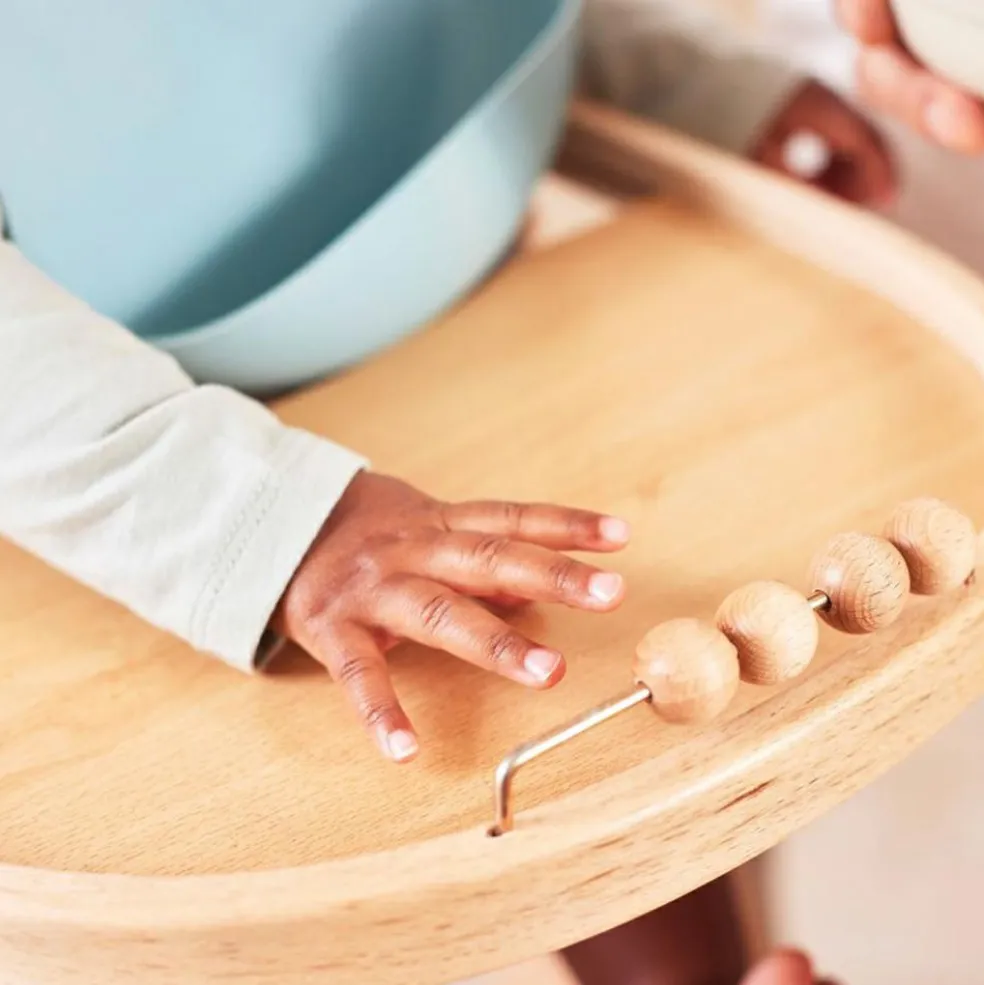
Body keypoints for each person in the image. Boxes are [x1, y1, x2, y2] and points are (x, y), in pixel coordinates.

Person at [0, 0, 896, 769]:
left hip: (505, 308)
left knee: (656, 701)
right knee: (541, 730)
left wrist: (672, 77)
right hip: (183, 435)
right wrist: (258, 522)